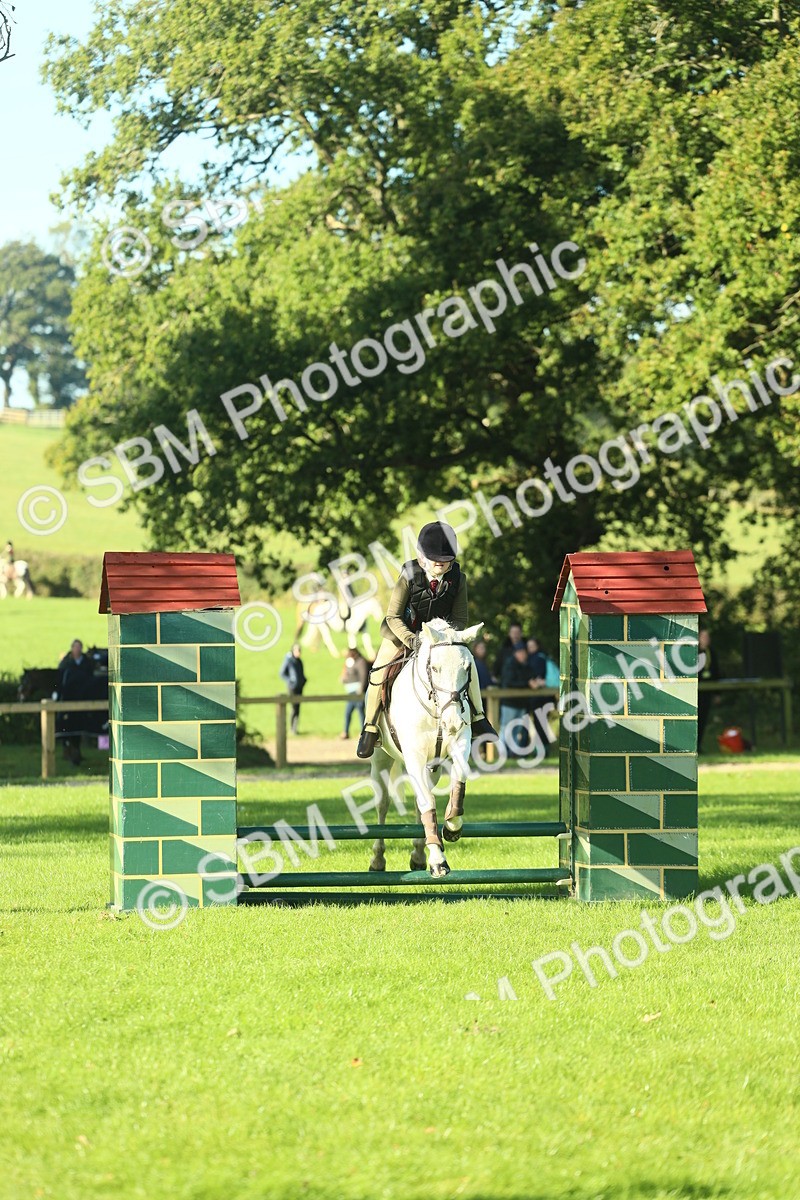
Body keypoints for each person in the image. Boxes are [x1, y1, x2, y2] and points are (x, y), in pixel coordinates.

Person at [356, 521, 497, 759]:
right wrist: (412, 641)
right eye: (434, 557)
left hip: (441, 637)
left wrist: (443, 638)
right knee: (378, 672)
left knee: (468, 662)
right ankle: (370, 727)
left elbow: (460, 619)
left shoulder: (458, 579)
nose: (440, 562)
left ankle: (479, 717)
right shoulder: (409, 576)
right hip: (402, 634)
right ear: (421, 558)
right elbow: (393, 616)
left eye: (445, 558)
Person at [56, 639, 94, 764]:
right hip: (68, 698)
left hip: (83, 698)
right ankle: (68, 751)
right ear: (72, 648)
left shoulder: (87, 662)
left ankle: (77, 752)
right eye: (76, 647)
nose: (77, 650)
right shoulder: (66, 663)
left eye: (79, 647)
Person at [500, 644, 539, 756]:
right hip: (509, 703)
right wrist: (527, 683)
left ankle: (513, 754)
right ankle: (502, 753)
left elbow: (532, 677)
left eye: (523, 652)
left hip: (521, 703)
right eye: (520, 652)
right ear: (515, 653)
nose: (522, 655)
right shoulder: (510, 664)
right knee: (505, 729)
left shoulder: (526, 665)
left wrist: (534, 682)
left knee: (517, 730)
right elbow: (509, 683)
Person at [697, 629, 720, 752]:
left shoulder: (712, 653)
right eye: (703, 637)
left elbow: (717, 671)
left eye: (707, 637)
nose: (706, 639)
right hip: (697, 691)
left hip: (708, 690)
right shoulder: (694, 652)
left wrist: (717, 693)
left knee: (704, 717)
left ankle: (699, 744)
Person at [340, 645, 369, 739]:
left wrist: (361, 688)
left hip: (357, 692)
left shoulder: (361, 662)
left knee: (360, 712)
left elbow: (363, 675)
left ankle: (363, 732)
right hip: (350, 692)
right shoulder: (350, 663)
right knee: (348, 712)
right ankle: (346, 731)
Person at [279, 643, 306, 735]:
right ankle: (292, 728)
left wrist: (303, 681)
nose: (298, 652)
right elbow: (282, 673)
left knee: (298, 708)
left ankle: (295, 728)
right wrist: (290, 681)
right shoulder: (289, 661)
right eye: (297, 650)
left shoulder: (299, 661)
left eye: (299, 650)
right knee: (293, 708)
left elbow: (301, 673)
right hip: (292, 688)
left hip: (299, 687)